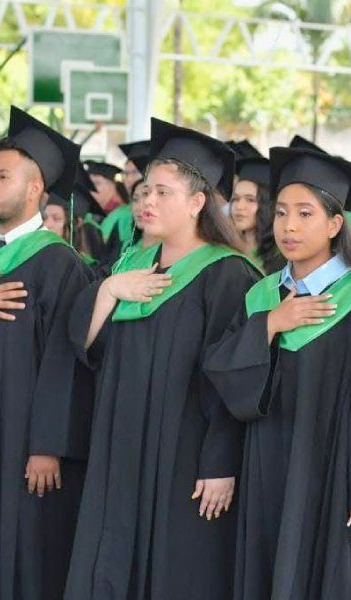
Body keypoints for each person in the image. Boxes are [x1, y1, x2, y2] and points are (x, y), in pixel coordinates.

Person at [64, 118, 260, 600]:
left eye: (163, 193)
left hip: (184, 455)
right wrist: (109, 290)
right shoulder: (129, 266)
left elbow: (233, 376)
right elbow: (87, 348)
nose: (147, 201)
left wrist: (220, 463)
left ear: (197, 202)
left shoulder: (228, 274)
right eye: (145, 190)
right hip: (120, 445)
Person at [204, 146, 351, 600]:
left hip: (335, 477)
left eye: (305, 214)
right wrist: (269, 325)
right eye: (282, 212)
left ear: (335, 225)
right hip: (265, 469)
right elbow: (223, 378)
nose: (289, 226)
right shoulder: (261, 297)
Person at [0, 106, 94, 600]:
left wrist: (48, 444)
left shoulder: (59, 263)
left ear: (34, 189)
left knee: (24, 549)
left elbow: (66, 361)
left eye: (2, 176)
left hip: (25, 441)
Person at [229, 157, 285, 274]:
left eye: (250, 200)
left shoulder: (280, 256)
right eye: (236, 198)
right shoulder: (226, 248)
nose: (239, 206)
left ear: (267, 205)